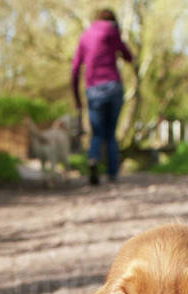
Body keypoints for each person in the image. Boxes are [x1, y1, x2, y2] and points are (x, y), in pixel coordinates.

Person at [71, 9, 134, 185]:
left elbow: (75, 69)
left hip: (93, 88)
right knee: (110, 133)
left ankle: (93, 159)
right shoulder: (113, 33)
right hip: (113, 86)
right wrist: (123, 54)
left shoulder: (85, 37)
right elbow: (129, 56)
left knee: (97, 132)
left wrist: (76, 98)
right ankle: (112, 173)